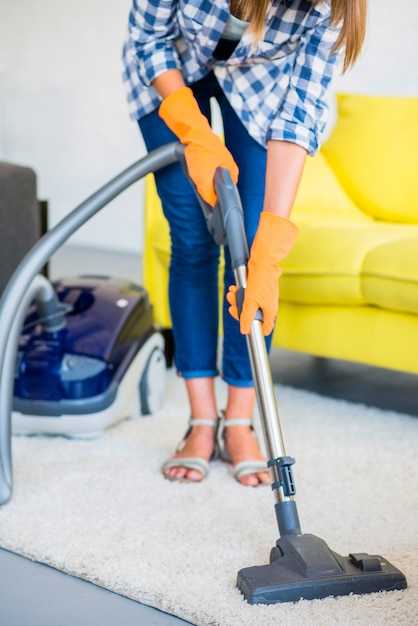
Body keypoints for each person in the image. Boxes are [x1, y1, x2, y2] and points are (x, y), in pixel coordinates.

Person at [122, 0, 367, 486]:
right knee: (193, 237)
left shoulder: (333, 8)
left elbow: (297, 118)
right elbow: (147, 40)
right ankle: (200, 421)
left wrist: (271, 250)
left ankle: (238, 421)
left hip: (259, 83)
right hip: (169, 64)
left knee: (253, 253)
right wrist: (195, 134)